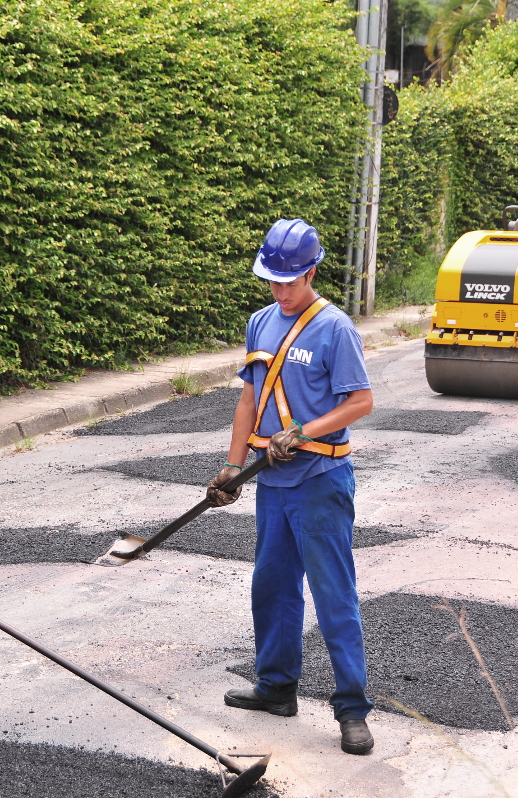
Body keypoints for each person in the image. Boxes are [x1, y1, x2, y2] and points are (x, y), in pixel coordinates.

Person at [207, 219, 376, 755]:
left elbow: (361, 402)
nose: (280, 291)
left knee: (333, 594)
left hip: (320, 481)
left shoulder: (335, 328)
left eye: (290, 282)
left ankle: (352, 709)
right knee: (272, 585)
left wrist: (303, 433)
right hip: (271, 481)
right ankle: (277, 687)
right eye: (273, 281)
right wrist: (233, 466)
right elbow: (248, 400)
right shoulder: (259, 323)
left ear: (311, 273)